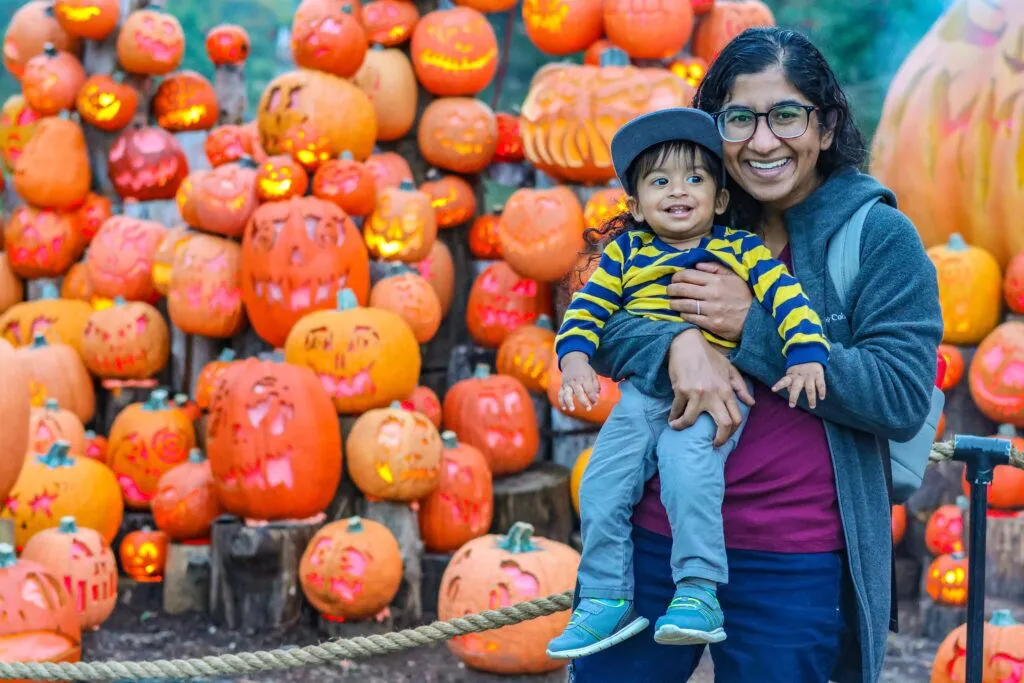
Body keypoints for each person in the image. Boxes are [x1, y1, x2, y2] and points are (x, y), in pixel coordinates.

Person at [567, 27, 942, 683]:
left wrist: (751, 329)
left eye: (786, 115)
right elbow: (603, 322)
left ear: (824, 127)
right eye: (740, 118)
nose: (763, 140)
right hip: (656, 540)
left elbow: (901, 396)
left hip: (790, 559)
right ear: (717, 127)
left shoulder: (878, 238)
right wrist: (678, 342)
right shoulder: (691, 215)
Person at [547, 108, 830, 660]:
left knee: (687, 468)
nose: (678, 191)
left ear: (720, 200)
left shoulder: (740, 249)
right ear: (634, 205)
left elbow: (788, 300)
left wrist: (806, 355)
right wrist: (575, 358)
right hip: (641, 397)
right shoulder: (624, 255)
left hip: (714, 395)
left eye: (695, 179)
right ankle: (604, 597)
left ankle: (698, 591)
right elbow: (588, 313)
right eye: (660, 181)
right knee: (601, 485)